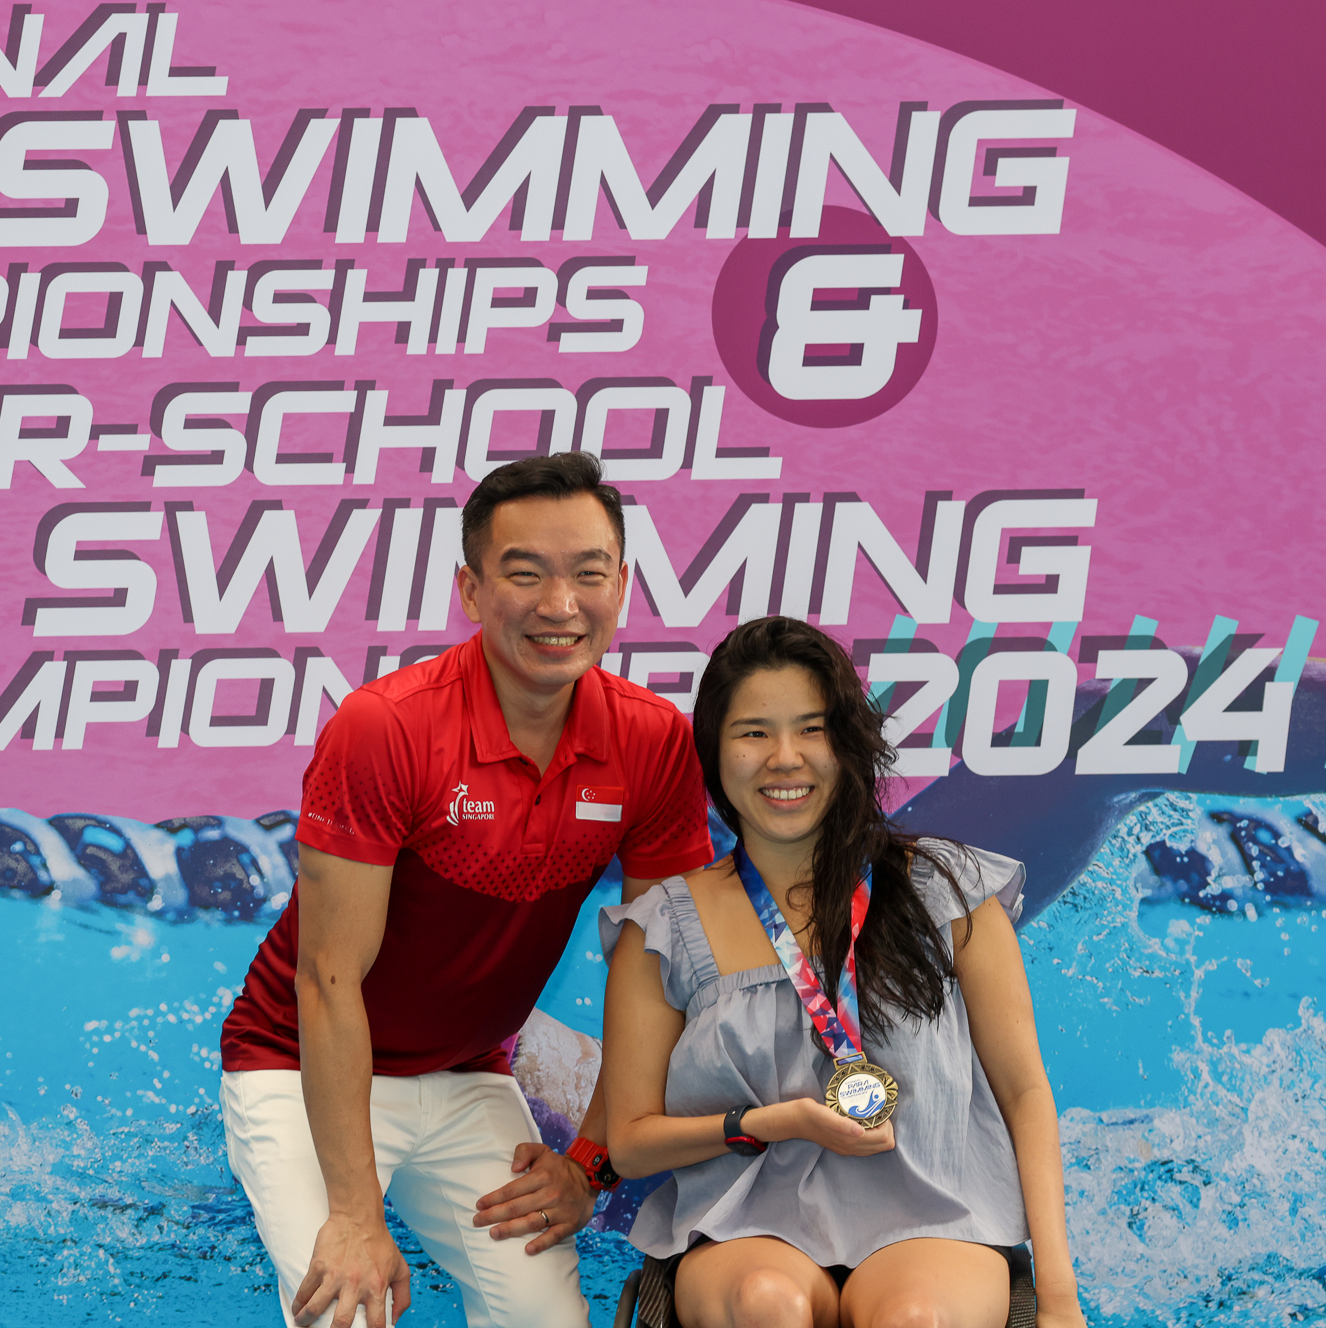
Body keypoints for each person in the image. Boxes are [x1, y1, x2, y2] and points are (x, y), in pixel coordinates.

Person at [219, 452, 713, 1328]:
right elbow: (330, 979)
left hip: (466, 1077)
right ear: (471, 589)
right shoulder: (388, 728)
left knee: (549, 1321)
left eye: (589, 574)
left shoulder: (653, 742)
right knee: (346, 1311)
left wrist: (588, 1162)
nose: (561, 606)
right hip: (300, 1069)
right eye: (525, 574)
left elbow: (656, 977)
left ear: (624, 583)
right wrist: (354, 1214)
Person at [599, 615, 1085, 1328]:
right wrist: (773, 1122)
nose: (784, 758)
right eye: (753, 732)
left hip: (935, 1222)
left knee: (911, 1318)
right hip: (744, 1230)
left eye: (812, 729)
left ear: (849, 744)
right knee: (769, 1305)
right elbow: (630, 1142)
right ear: (714, 752)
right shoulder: (662, 926)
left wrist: (1060, 1292)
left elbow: (1025, 1094)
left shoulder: (949, 890)